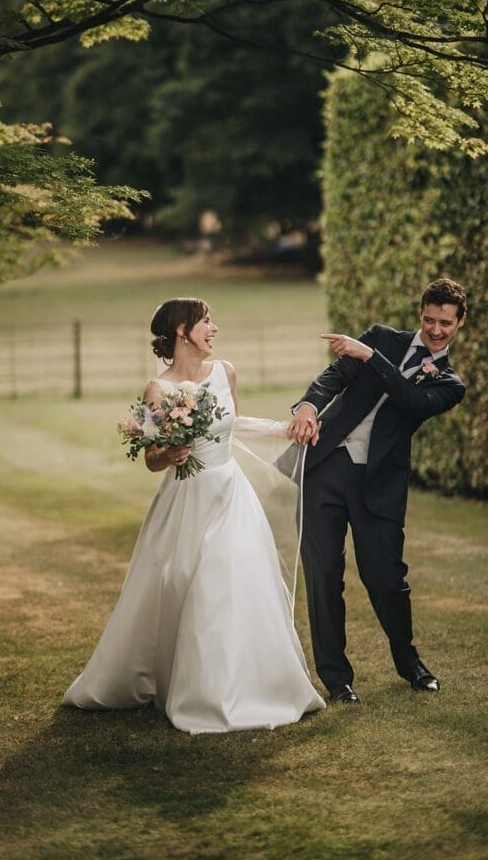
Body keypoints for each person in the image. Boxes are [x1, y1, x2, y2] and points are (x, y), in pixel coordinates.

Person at [62, 297, 325, 733]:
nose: (214, 328)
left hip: (231, 493)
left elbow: (233, 424)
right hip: (186, 498)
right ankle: (190, 689)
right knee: (182, 584)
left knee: (232, 577)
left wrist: (284, 429)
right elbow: (150, 459)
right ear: (182, 331)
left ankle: (248, 685)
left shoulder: (226, 372)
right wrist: (169, 453)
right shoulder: (157, 390)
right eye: (206, 321)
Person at [287, 278, 467, 703]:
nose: (435, 329)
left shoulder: (449, 382)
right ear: (420, 312)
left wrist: (370, 356)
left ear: (460, 322)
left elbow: (411, 402)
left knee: (386, 579)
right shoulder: (382, 336)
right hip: (326, 467)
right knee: (323, 574)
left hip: (379, 483)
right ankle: (336, 678)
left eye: (445, 323)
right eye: (428, 319)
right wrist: (309, 405)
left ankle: (410, 664)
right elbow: (335, 375)